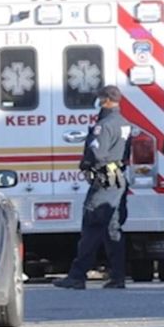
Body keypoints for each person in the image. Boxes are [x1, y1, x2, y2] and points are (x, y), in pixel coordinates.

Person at [54, 85, 132, 290]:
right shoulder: (124, 123)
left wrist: (88, 167)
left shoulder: (103, 125)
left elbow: (97, 154)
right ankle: (118, 276)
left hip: (104, 181)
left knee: (91, 227)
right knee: (113, 229)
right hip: (118, 180)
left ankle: (77, 276)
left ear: (106, 100)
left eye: (99, 98)